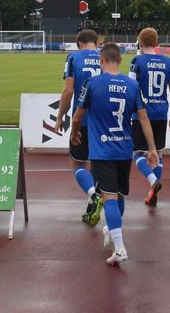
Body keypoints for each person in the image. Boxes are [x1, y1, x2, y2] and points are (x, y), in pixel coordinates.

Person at [70, 43, 159, 265]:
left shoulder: (92, 83)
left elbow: (78, 116)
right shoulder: (132, 85)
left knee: (108, 196)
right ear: (119, 61)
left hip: (102, 149)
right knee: (118, 195)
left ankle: (120, 247)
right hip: (123, 148)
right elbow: (144, 118)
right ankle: (111, 229)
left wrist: (74, 134)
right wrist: (152, 148)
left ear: (101, 61)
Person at [55, 29, 103, 225]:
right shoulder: (106, 56)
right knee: (98, 165)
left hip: (82, 119)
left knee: (78, 164)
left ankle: (94, 197)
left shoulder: (74, 57)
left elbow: (68, 91)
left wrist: (60, 117)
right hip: (104, 121)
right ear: (96, 42)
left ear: (79, 43)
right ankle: (93, 209)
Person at [128, 27, 170, 207]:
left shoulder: (137, 61)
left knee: (137, 152)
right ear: (157, 43)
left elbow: (131, 87)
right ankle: (153, 192)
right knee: (159, 152)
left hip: (142, 112)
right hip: (161, 111)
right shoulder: (169, 62)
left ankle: (152, 181)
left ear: (140, 42)